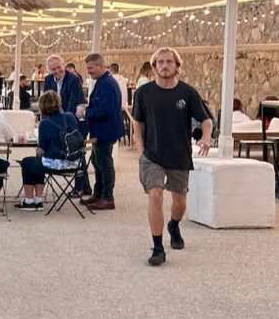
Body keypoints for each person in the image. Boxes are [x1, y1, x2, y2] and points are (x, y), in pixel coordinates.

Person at [131, 47, 212, 267]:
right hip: (152, 154)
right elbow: (137, 121)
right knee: (155, 195)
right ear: (154, 66)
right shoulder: (143, 93)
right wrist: (140, 149)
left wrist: (206, 137)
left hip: (179, 153)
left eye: (169, 62)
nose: (165, 65)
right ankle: (157, 247)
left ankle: (174, 225)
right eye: (161, 62)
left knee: (179, 200)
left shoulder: (187, 93)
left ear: (177, 66)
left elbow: (206, 120)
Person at [15, 91, 84, 210]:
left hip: (58, 164)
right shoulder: (70, 117)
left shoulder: (45, 124)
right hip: (76, 163)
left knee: (29, 162)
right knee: (38, 162)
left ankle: (30, 200)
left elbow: (42, 149)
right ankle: (37, 199)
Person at [76, 53, 125, 210]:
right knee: (97, 162)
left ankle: (107, 197)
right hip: (100, 129)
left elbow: (104, 109)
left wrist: (85, 113)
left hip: (106, 129)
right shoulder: (102, 82)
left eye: (91, 68)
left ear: (100, 66)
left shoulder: (107, 84)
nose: (89, 71)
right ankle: (98, 194)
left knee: (104, 163)